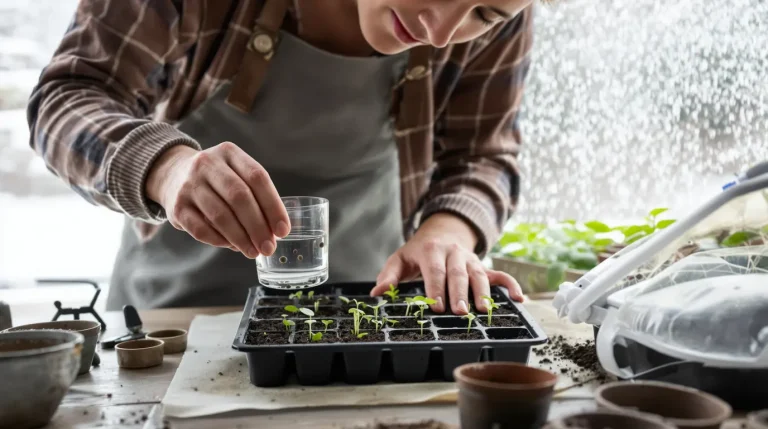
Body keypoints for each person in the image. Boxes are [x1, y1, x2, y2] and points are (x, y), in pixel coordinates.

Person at [27, 0, 533, 314]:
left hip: (362, 316)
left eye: (483, 13)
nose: (439, 30)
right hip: (173, 319)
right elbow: (66, 98)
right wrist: (167, 167)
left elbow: (483, 154)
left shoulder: (493, 21)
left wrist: (446, 233)